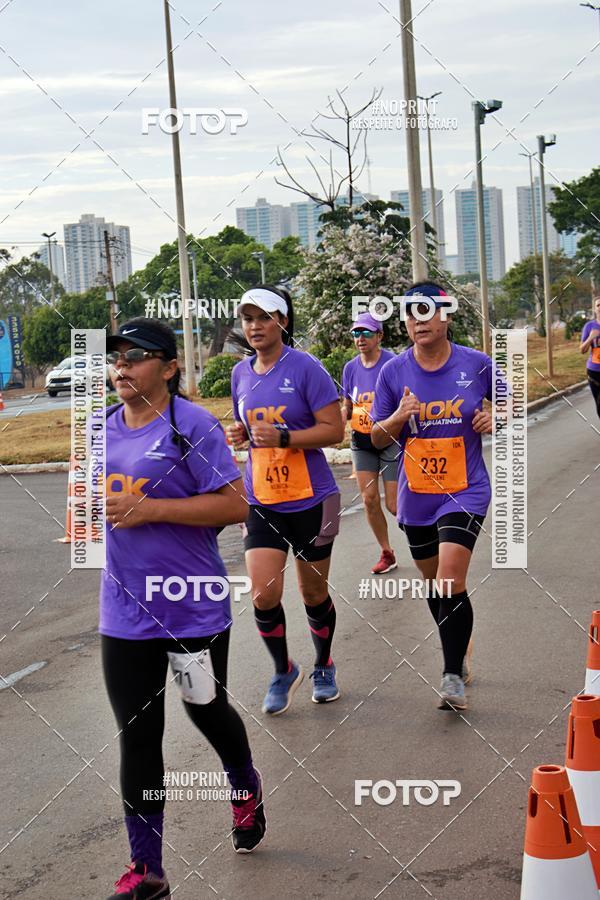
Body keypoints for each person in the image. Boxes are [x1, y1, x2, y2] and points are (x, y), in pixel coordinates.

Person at [101, 318, 265, 900]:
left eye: (136, 356)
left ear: (169, 367)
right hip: (124, 610)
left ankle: (243, 783)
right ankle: (147, 870)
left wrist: (150, 510)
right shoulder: (99, 429)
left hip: (190, 604)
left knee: (206, 710)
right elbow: (94, 506)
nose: (122, 366)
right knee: (138, 736)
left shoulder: (191, 425)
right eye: (115, 356)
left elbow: (236, 505)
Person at [371, 283, 493, 711]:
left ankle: (451, 672)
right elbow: (374, 435)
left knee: (450, 577)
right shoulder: (393, 372)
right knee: (436, 584)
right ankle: (458, 647)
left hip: (465, 489)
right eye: (410, 313)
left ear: (447, 317)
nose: (418, 320)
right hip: (418, 494)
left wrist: (494, 414)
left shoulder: (476, 364)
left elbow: (509, 399)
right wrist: (399, 417)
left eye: (426, 311)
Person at [226, 285, 345, 715]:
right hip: (263, 500)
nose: (255, 326)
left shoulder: (306, 368)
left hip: (313, 500)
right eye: (248, 319)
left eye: (264, 317)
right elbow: (248, 427)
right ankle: (283, 669)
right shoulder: (241, 373)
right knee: (262, 593)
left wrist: (284, 437)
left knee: (313, 593)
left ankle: (324, 663)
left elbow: (335, 431)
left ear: (283, 321)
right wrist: (243, 435)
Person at [341, 312, 398, 574]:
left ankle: (426, 542)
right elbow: (348, 404)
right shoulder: (350, 368)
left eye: (366, 333)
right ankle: (387, 552)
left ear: (379, 336)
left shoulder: (393, 364)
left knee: (394, 504)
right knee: (369, 498)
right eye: (355, 333)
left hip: (389, 439)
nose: (360, 338)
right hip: (361, 441)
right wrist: (337, 421)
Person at [580, 296, 600, 419]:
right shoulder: (589, 326)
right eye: (598, 305)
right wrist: (591, 338)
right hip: (594, 371)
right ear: (594, 309)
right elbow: (582, 350)